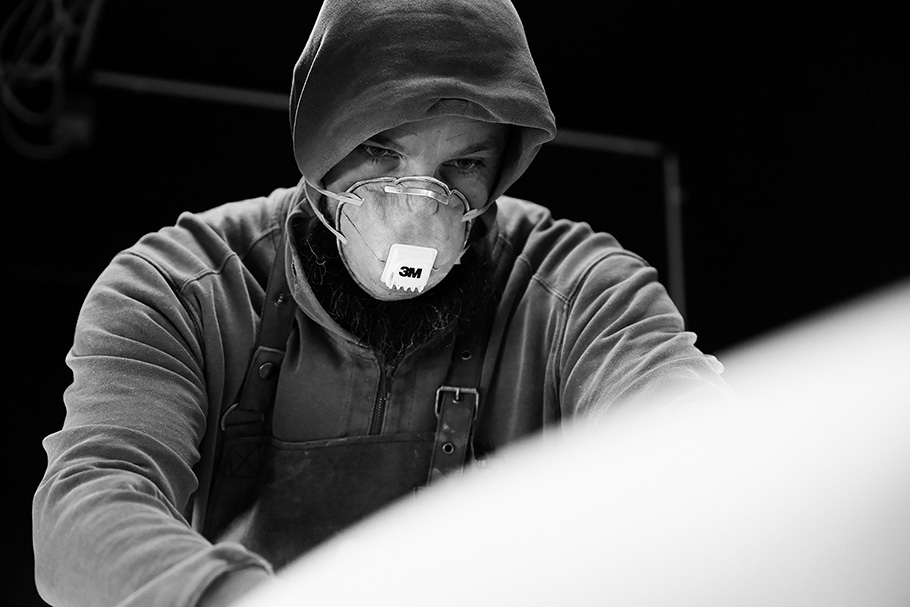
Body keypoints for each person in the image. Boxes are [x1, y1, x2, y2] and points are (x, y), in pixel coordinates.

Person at [33, 1, 735, 606]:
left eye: (463, 164)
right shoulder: (182, 289)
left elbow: (700, 452)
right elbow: (88, 506)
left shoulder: (576, 293)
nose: (417, 207)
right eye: (379, 149)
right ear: (320, 139)